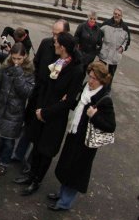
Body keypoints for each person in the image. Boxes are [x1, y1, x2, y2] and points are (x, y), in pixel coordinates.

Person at [17, 32, 83, 196]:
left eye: (56, 43)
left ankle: (36, 181)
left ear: (63, 47)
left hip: (54, 119)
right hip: (42, 112)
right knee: (37, 147)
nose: (53, 45)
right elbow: (47, 86)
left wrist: (45, 112)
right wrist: (39, 109)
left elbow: (67, 102)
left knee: (45, 152)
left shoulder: (76, 71)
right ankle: (31, 176)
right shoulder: (58, 62)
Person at [49, 61, 116, 211]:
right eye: (90, 76)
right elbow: (78, 104)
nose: (91, 80)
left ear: (102, 80)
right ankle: (61, 194)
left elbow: (111, 126)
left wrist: (95, 116)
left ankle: (64, 203)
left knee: (75, 173)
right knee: (66, 166)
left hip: (85, 144)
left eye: (94, 78)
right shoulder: (86, 86)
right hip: (74, 133)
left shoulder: (104, 100)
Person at [0, 43, 35, 177]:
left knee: (9, 141)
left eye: (19, 58)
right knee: (1, 137)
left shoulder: (29, 72)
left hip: (15, 112)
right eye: (14, 58)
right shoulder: (5, 68)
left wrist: (18, 74)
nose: (16, 61)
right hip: (2, 109)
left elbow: (26, 92)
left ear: (25, 56)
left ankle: (4, 164)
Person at [98, 8, 131, 77]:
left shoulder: (125, 27)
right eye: (115, 14)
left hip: (115, 55)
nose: (117, 16)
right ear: (113, 14)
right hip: (104, 53)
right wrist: (99, 45)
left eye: (119, 15)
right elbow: (98, 34)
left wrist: (122, 47)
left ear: (121, 16)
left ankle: (107, 87)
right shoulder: (106, 23)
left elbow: (127, 40)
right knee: (99, 73)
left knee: (110, 75)